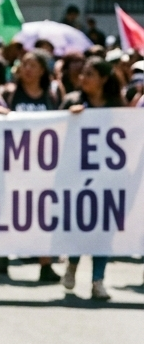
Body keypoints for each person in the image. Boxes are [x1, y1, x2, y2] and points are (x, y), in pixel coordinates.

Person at [0, 49, 62, 284]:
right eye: (25, 65)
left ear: (42, 70)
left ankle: (45, 264)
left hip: (42, 167)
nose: (28, 69)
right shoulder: (9, 93)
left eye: (33, 65)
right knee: (8, 212)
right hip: (12, 165)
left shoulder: (51, 95)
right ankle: (2, 256)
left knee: (42, 214)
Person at [60, 57, 125, 301]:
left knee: (103, 231)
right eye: (82, 73)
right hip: (77, 180)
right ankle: (72, 264)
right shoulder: (72, 101)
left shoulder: (116, 106)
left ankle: (98, 280)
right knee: (79, 227)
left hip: (107, 181)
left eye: (90, 74)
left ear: (104, 79)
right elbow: (54, 131)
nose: (83, 78)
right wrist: (70, 117)